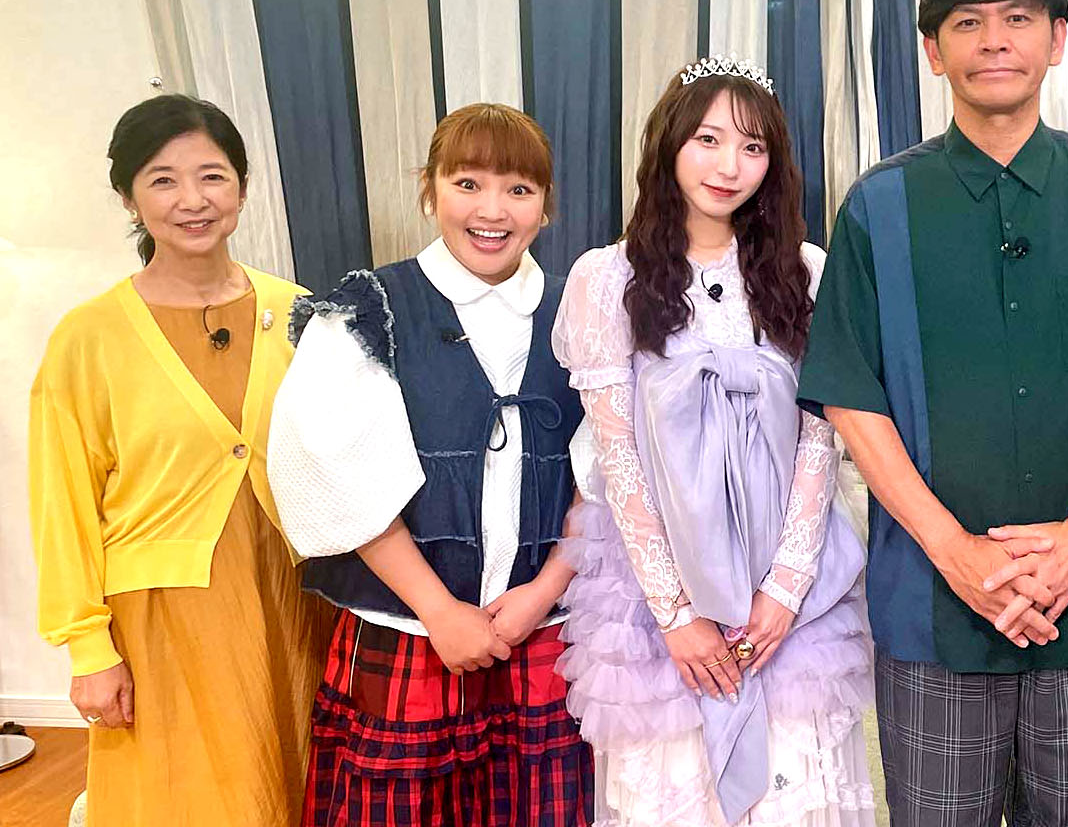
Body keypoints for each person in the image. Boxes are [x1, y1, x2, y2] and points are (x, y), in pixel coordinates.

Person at [798, 0, 1068, 827]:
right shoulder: (879, 206)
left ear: (1056, 38)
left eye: (1018, 18)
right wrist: (959, 554)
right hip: (934, 605)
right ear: (932, 49)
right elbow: (850, 396)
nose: (994, 40)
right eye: (968, 22)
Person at [551, 58, 874, 827]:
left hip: (788, 587)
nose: (730, 166)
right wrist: (677, 614)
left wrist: (784, 591)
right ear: (669, 144)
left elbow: (819, 445)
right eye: (708, 139)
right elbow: (619, 458)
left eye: (753, 147)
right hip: (657, 588)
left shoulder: (807, 273)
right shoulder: (607, 279)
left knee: (797, 793)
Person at [267, 103, 592, 827]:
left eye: (518, 189)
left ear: (545, 204)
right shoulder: (368, 311)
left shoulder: (583, 311)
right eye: (467, 183)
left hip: (546, 631)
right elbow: (337, 476)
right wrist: (439, 611)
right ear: (430, 188)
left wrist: (544, 591)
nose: (492, 211)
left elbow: (607, 475)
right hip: (411, 632)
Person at [29, 93, 335, 825]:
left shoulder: (297, 311)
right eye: (163, 180)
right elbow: (61, 501)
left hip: (292, 595)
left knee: (299, 781)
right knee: (192, 795)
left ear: (242, 188)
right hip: (164, 616)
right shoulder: (89, 336)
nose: (192, 200)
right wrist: (87, 648)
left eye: (212, 176)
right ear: (128, 197)